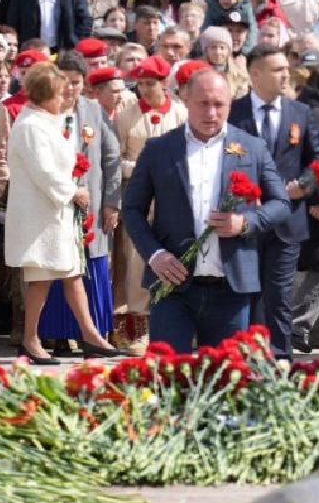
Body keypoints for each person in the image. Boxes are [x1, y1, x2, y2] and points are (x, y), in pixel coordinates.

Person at [122, 68, 289, 351]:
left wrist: (245, 223)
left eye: (219, 105)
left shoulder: (252, 148)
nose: (211, 113)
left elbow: (281, 204)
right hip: (172, 285)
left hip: (231, 287)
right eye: (203, 103)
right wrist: (155, 255)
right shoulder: (159, 149)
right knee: (168, 376)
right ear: (186, 99)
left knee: (226, 379)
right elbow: (132, 209)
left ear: (230, 104)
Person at [0, 63, 121, 361]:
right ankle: (31, 339)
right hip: (41, 217)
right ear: (43, 96)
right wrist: (74, 191)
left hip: (57, 215)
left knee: (73, 273)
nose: (64, 99)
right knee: (42, 278)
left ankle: (91, 335)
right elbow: (44, 172)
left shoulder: (47, 120)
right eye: (58, 94)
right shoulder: (30, 125)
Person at [228, 46, 318, 358]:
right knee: (246, 291)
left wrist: (305, 185)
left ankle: (280, 358)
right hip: (245, 220)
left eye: (285, 68)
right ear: (255, 74)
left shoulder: (300, 112)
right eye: (277, 69)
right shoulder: (233, 112)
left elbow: (314, 161)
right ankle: (245, 357)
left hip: (286, 221)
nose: (285, 74)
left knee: (280, 294)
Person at [34, 52, 122, 355]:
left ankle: (93, 334)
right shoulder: (45, 113)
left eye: (76, 82)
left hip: (91, 204)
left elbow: (111, 157)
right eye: (65, 82)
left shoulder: (95, 111)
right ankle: (58, 335)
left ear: (84, 84)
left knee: (92, 265)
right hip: (56, 203)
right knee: (60, 267)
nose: (70, 89)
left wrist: (112, 202)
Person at [108, 55, 186, 350]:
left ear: (164, 83)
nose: (143, 90)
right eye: (139, 84)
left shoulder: (178, 112)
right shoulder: (127, 115)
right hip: (137, 194)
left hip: (171, 196)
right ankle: (136, 326)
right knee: (136, 258)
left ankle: (168, 322)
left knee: (173, 252)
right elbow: (115, 158)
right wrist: (140, 167)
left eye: (150, 84)